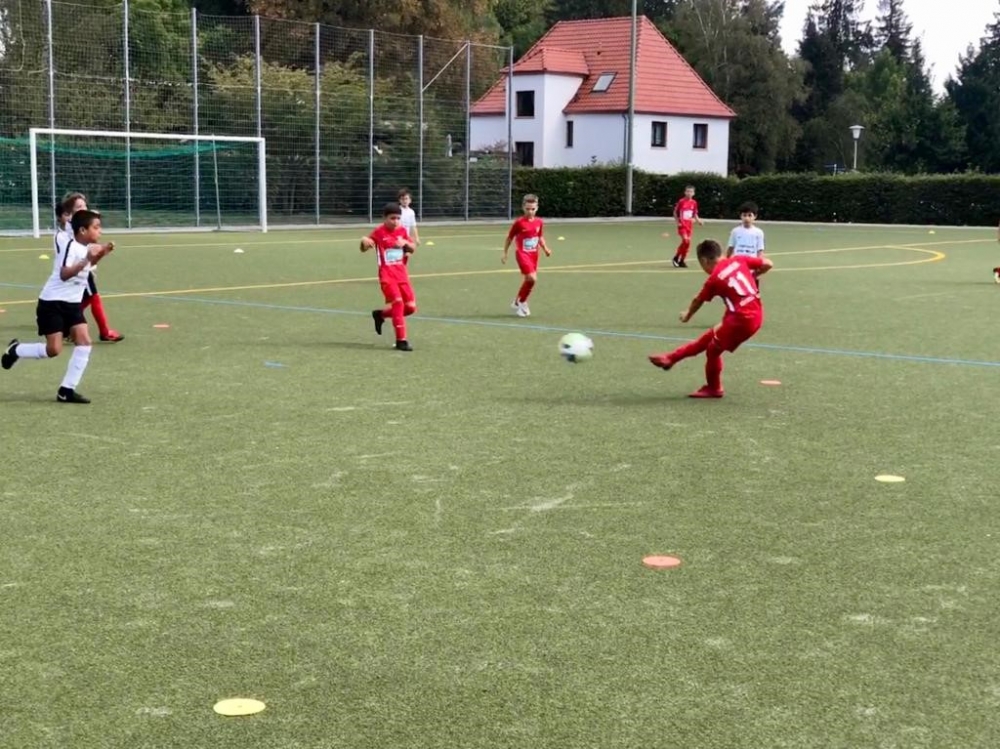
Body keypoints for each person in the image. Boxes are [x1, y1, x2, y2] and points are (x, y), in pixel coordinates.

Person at [2, 209, 114, 403]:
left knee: (85, 343)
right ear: (82, 230)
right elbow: (64, 274)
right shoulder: (71, 246)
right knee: (53, 350)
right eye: (96, 227)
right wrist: (87, 258)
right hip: (52, 303)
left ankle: (66, 390)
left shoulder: (87, 248)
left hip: (72, 305)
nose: (100, 231)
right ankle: (16, 350)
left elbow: (88, 266)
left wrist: (102, 253)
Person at [648, 239, 773, 399]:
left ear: (705, 261)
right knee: (709, 337)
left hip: (741, 320)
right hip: (755, 313)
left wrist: (687, 315)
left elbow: (698, 300)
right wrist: (754, 274)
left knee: (713, 351)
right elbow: (768, 263)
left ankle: (714, 388)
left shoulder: (714, 279)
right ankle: (671, 358)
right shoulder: (738, 260)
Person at [55, 192, 123, 342]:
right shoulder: (70, 230)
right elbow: (80, 249)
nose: (84, 208)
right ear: (70, 212)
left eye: (85, 205)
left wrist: (101, 249)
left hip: (83, 268)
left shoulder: (78, 225)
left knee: (86, 299)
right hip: (77, 270)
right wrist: (99, 250)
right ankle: (104, 332)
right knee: (93, 297)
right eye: (79, 206)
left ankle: (66, 326)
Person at [363, 202, 417, 352]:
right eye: (392, 218)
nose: (395, 221)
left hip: (402, 275)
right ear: (384, 218)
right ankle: (401, 340)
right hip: (387, 276)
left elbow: (412, 248)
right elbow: (365, 246)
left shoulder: (402, 231)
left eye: (398, 218)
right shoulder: (379, 232)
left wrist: (405, 243)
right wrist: (364, 242)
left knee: (410, 308)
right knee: (398, 303)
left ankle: (380, 314)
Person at [502, 194, 550, 317]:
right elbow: (509, 238)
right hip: (522, 254)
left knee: (529, 280)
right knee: (532, 278)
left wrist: (545, 248)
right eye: (528, 209)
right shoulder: (519, 223)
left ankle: (518, 301)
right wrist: (505, 253)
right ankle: (522, 302)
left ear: (537, 208)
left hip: (534, 255)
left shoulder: (539, 222)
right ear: (523, 208)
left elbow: (539, 236)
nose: (530, 211)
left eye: (533, 209)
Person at [668, 184, 703, 268]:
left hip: (689, 225)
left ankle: (682, 260)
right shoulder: (681, 201)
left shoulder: (694, 203)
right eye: (687, 191)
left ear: (693, 193)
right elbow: (675, 212)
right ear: (685, 192)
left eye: (691, 192)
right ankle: (676, 257)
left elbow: (694, 213)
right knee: (686, 240)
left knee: (687, 243)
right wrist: (678, 222)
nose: (689, 193)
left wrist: (698, 221)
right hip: (682, 225)